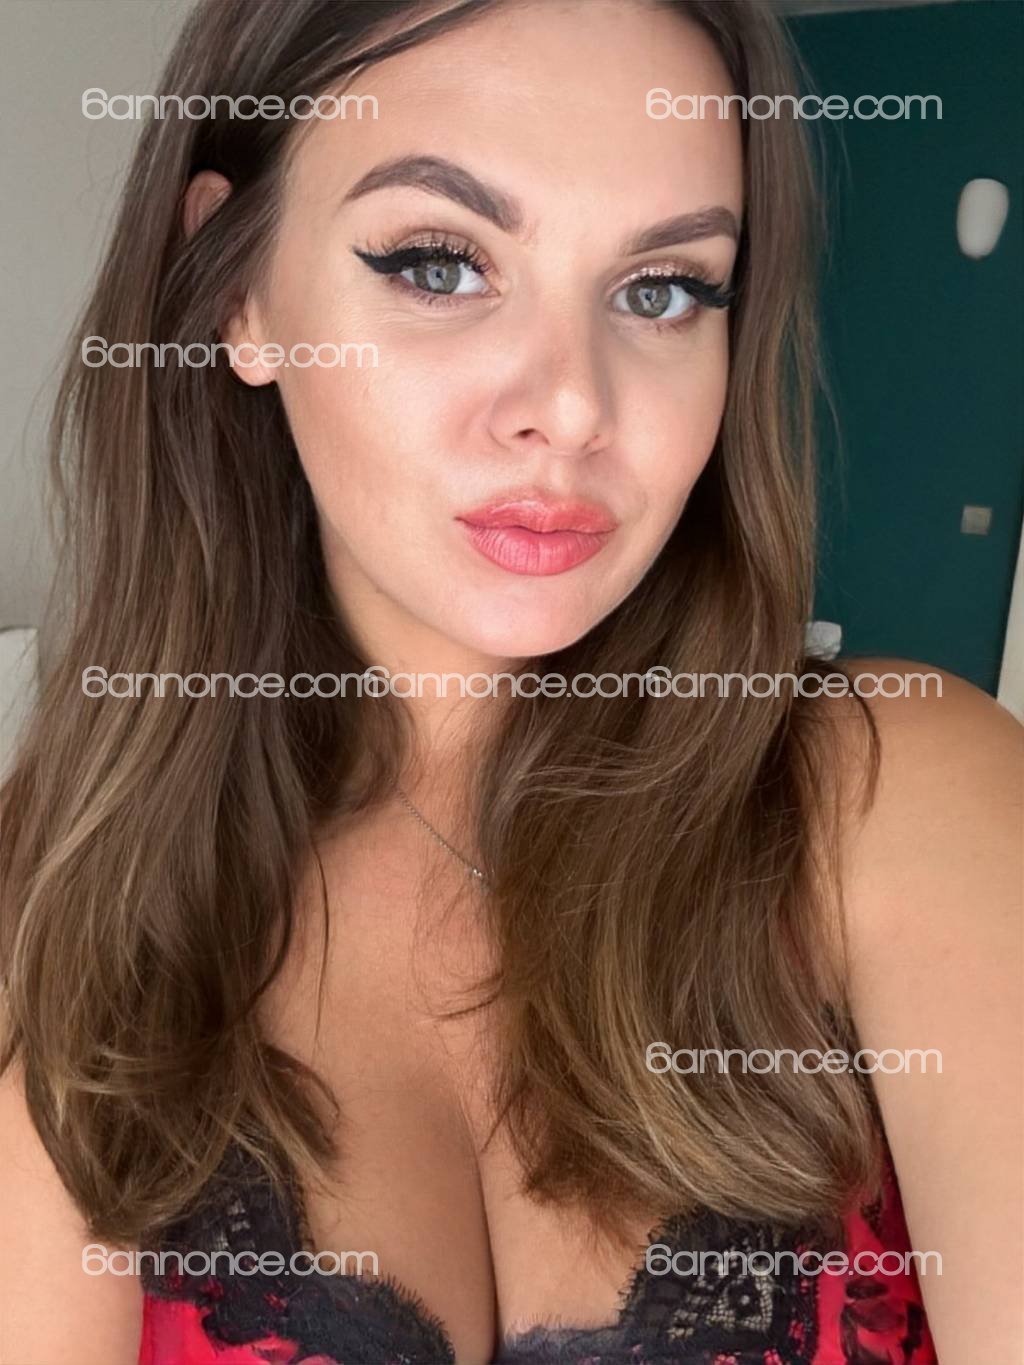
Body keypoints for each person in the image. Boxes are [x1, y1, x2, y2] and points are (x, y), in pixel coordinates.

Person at [1, 1, 1020, 1362]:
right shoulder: (60, 905)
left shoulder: (900, 795)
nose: (574, 404)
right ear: (236, 292)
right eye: (439, 264)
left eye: (662, 289)